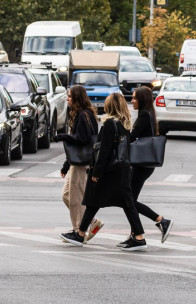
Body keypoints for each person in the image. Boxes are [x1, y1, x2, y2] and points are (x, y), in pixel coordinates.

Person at [60, 93, 147, 251]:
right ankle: (138, 236)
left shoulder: (109, 124)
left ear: (110, 106)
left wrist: (96, 173)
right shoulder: (124, 124)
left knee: (94, 199)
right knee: (120, 203)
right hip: (122, 170)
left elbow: (104, 151)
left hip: (109, 171)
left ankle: (80, 234)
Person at [124, 87, 172, 246]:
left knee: (128, 200)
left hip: (141, 164)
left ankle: (160, 221)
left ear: (142, 100)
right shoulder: (149, 114)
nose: (132, 101)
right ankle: (135, 234)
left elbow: (131, 137)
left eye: (135, 98)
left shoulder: (145, 115)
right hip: (144, 164)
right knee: (129, 200)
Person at [57, 85, 102, 240]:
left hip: (82, 163)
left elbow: (82, 140)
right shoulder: (83, 114)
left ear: (76, 98)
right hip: (77, 162)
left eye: (69, 96)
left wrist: (62, 137)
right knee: (67, 195)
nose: (67, 99)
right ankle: (91, 222)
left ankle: (78, 231)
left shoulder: (83, 115)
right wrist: (66, 164)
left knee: (76, 198)